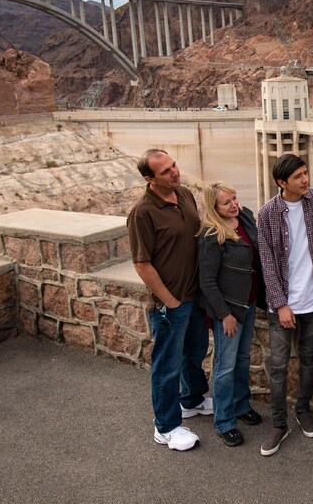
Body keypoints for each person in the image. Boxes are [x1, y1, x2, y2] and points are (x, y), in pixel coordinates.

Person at [127, 149, 212, 452]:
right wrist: (170, 301)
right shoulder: (142, 212)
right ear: (150, 179)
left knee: (195, 352)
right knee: (166, 366)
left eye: (174, 165)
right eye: (165, 171)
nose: (174, 172)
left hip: (194, 297)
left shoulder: (185, 194)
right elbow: (142, 264)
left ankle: (191, 401)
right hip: (169, 304)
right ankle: (166, 426)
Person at [257, 154, 313, 456]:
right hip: (284, 304)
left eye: (306, 173)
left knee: (308, 359)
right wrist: (280, 304)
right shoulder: (268, 213)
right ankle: (278, 424)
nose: (306, 180)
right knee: (278, 366)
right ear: (281, 182)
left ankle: (302, 411)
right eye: (299, 176)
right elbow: (267, 262)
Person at [197, 181, 265, 447]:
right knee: (225, 366)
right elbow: (207, 282)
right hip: (229, 311)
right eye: (227, 202)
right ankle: (224, 421)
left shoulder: (244, 217)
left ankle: (241, 404)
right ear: (214, 208)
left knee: (243, 358)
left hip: (248, 304)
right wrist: (224, 315)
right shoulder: (211, 236)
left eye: (234, 198)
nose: (234, 205)